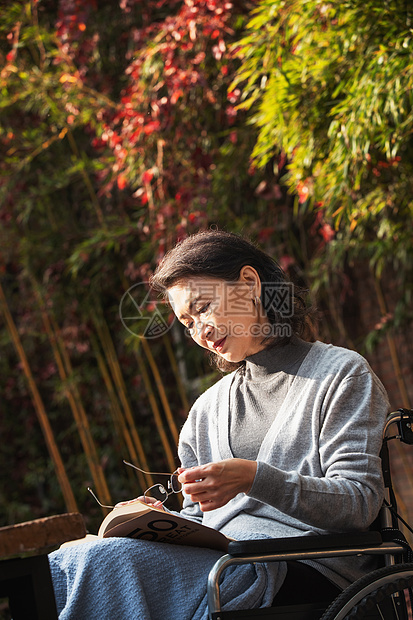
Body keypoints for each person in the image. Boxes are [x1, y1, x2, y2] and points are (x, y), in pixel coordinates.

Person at [49, 229, 389, 619]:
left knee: (106, 564)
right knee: (65, 562)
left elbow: (359, 503)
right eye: (187, 322)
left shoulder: (341, 375)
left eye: (205, 306)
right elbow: (199, 522)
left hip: (302, 568)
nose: (200, 331)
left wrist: (253, 477)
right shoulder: (205, 411)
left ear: (248, 283)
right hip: (224, 564)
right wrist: (154, 522)